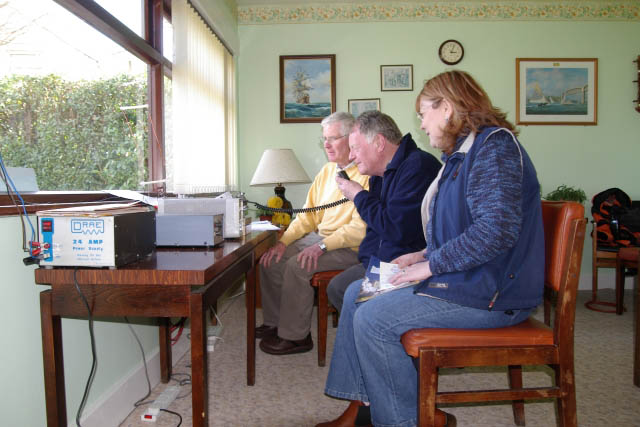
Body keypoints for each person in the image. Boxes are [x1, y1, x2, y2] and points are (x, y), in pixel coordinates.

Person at [316, 70, 544, 427]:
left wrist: (432, 263)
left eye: (424, 112)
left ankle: (402, 419)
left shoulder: (494, 148)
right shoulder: (466, 153)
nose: (421, 124)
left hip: (493, 293)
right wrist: (423, 255)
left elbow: (496, 231)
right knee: (362, 297)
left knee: (373, 320)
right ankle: (374, 409)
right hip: (473, 281)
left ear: (448, 108)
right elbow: (467, 228)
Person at [258, 111, 369, 356]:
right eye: (324, 139)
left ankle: (295, 336)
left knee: (298, 266)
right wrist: (283, 242)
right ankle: (276, 323)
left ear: (351, 139)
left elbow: (359, 230)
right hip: (321, 238)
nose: (326, 145)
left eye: (333, 138)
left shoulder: (367, 173)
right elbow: (308, 215)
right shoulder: (328, 172)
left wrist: (321, 246)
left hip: (349, 247)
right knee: (271, 260)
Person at [325, 111, 441, 313]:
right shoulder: (379, 175)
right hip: (381, 263)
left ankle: (372, 332)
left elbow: (396, 229)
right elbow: (376, 230)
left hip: (408, 264)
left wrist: (359, 196)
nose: (351, 156)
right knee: (337, 288)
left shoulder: (418, 167)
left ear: (379, 143)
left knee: (348, 291)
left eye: (355, 148)